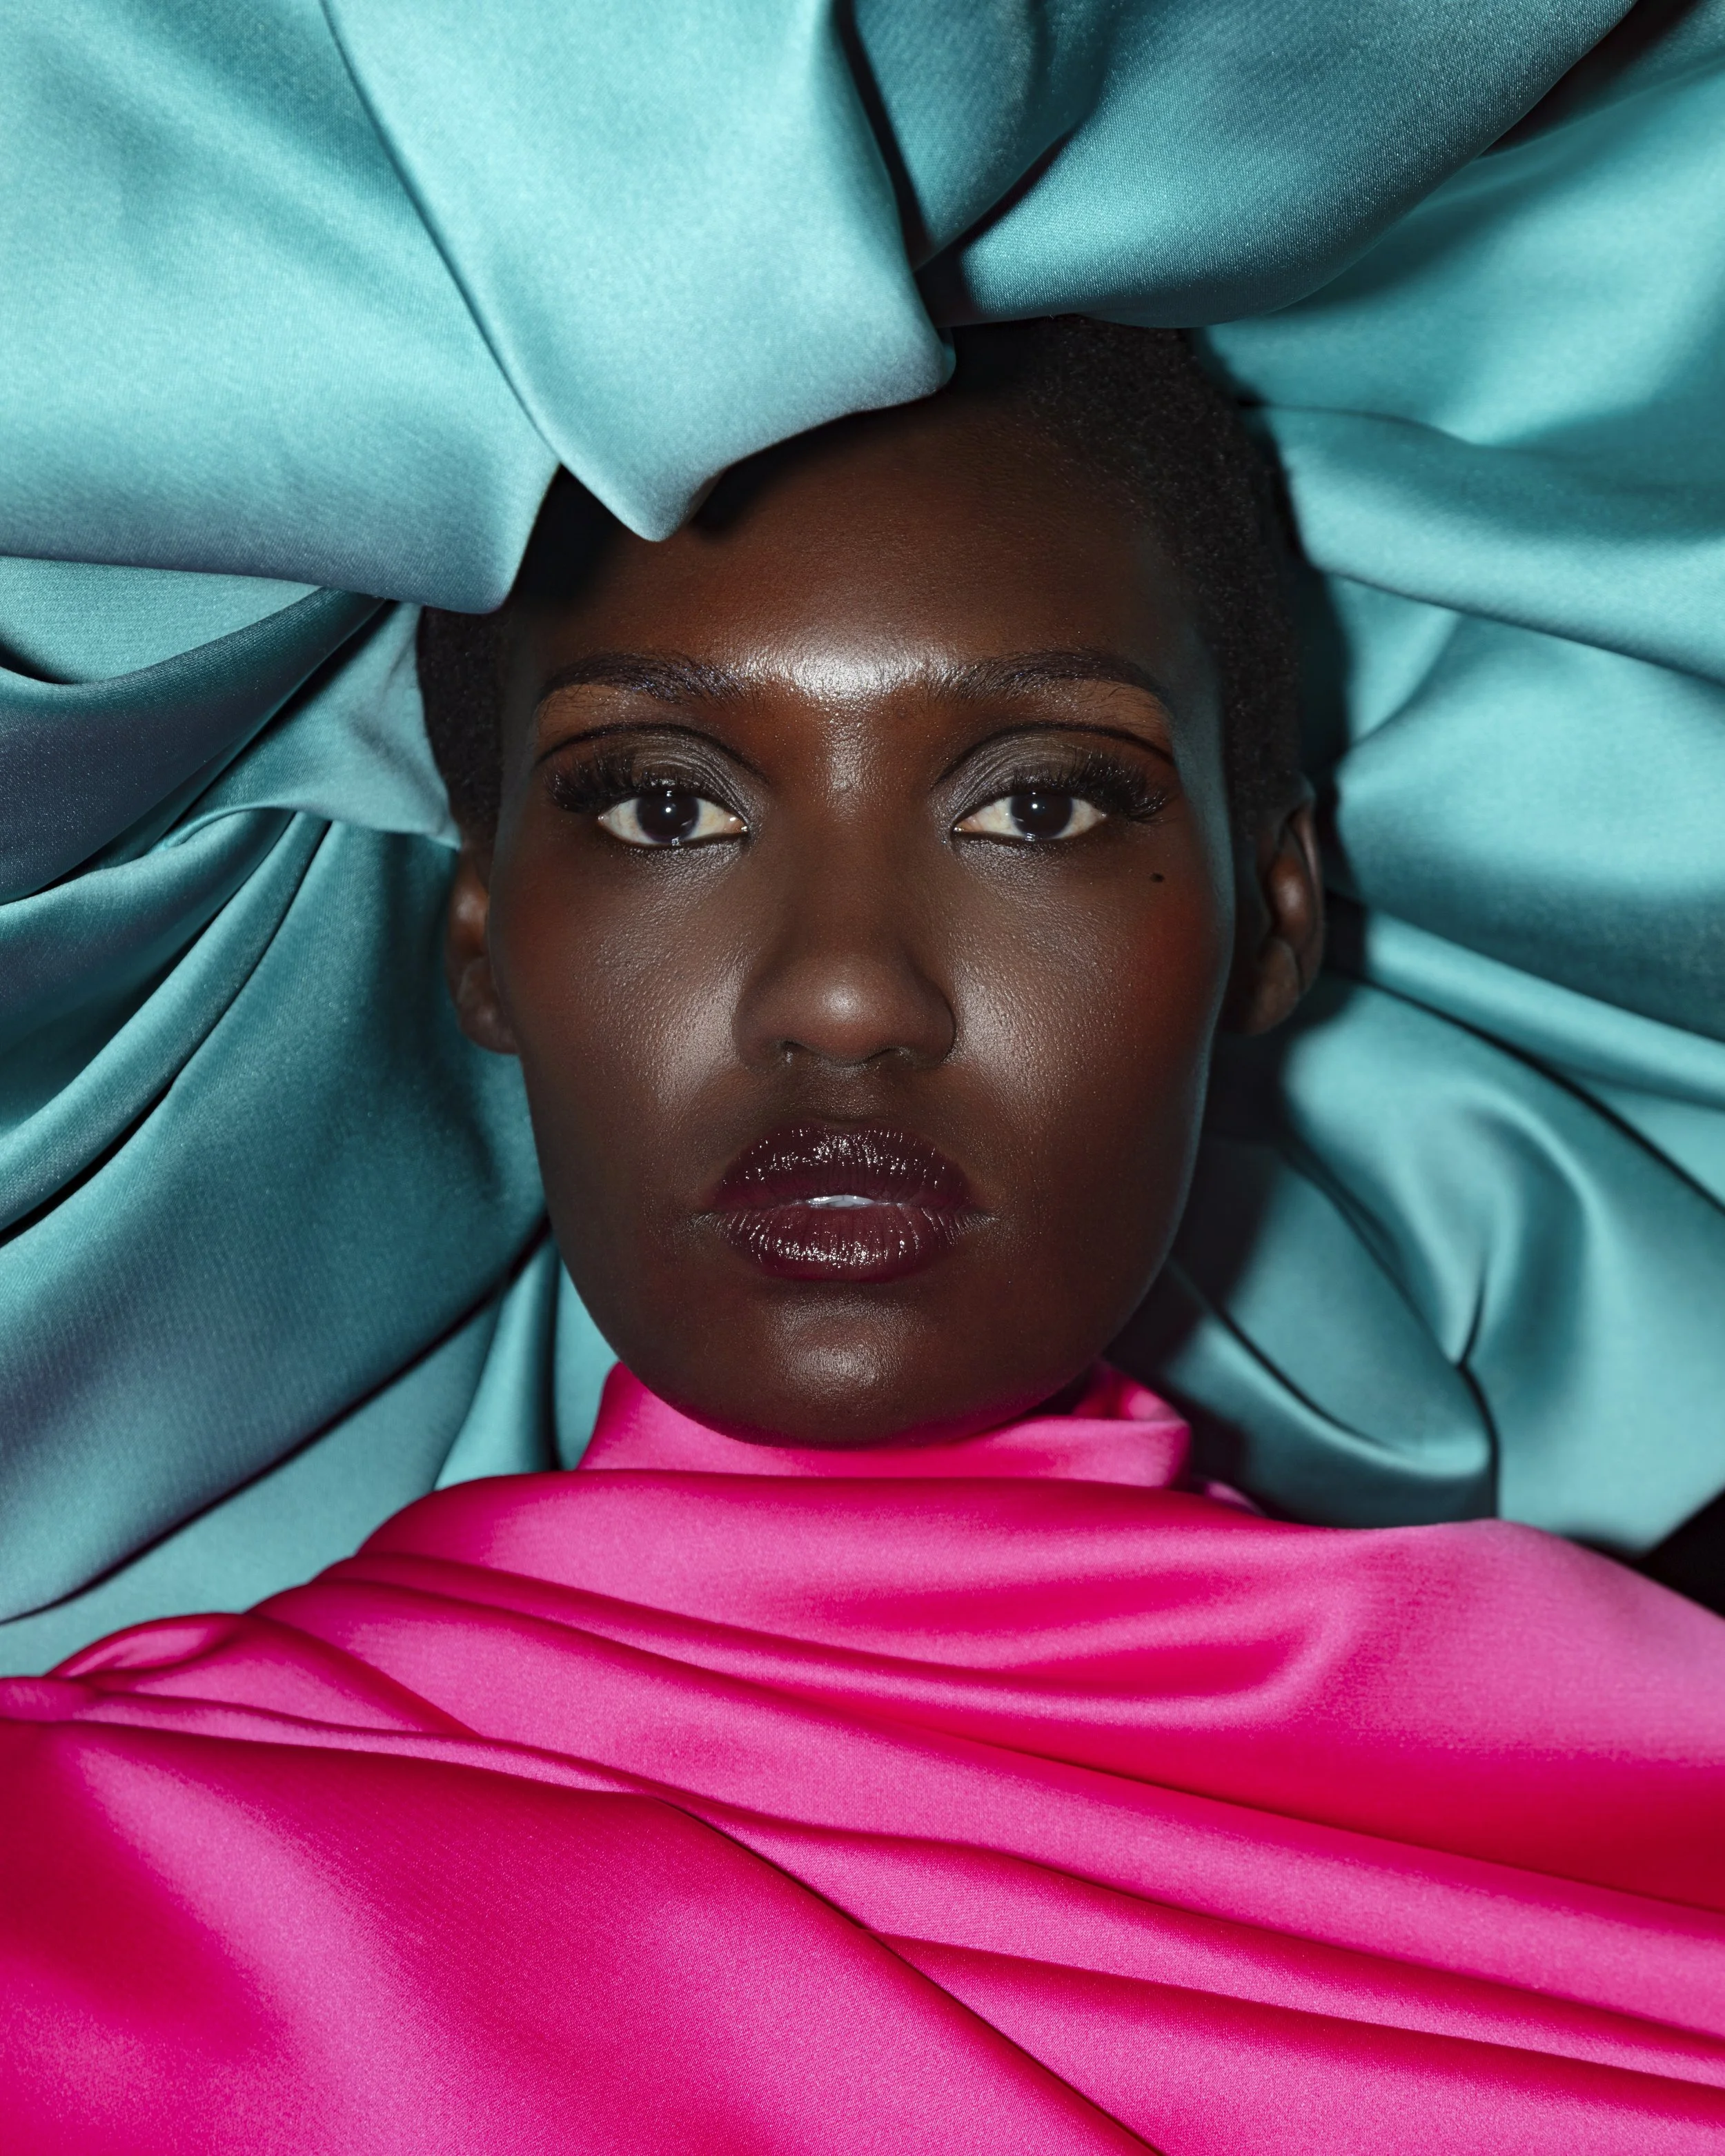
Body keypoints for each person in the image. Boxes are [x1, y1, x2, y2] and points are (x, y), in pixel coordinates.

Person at [3, 322, 1722, 2154]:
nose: (841, 994)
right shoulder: (73, 1890)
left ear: (1271, 915)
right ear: (488, 931)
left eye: (1037, 804)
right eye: (663, 805)